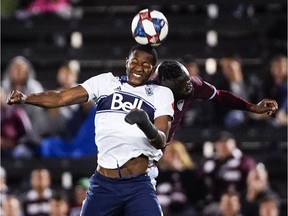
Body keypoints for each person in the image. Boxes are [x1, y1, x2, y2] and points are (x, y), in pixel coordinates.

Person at [7, 44, 174, 216]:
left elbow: (161, 140)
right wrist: (26, 98)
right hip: (104, 184)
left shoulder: (160, 93)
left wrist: (144, 123)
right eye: (135, 62)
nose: (139, 67)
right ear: (126, 62)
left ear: (153, 69)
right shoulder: (105, 82)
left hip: (137, 185)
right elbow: (60, 97)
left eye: (146, 65)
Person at [154, 60, 278, 144]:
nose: (188, 85)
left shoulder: (194, 84)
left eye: (187, 79)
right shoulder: (150, 95)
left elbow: (220, 96)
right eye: (182, 85)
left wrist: (252, 107)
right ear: (167, 91)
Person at [199, 131, 256, 202]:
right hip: (217, 201)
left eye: (226, 142)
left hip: (241, 200)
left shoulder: (245, 162)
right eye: (220, 143)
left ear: (234, 144)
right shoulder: (210, 162)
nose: (224, 145)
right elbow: (201, 180)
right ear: (215, 145)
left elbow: (254, 180)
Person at [156, 140, 204, 215]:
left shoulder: (191, 172)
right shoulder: (159, 172)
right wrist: (168, 172)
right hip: (163, 204)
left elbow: (194, 193)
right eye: (169, 153)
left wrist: (180, 171)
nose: (171, 157)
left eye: (174, 153)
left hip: (185, 205)